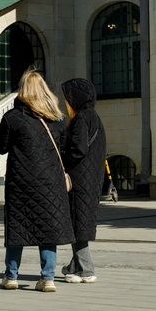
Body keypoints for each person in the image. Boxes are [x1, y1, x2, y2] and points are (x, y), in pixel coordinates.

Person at [0, 69, 74, 292]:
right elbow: (65, 150)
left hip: (21, 182)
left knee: (17, 228)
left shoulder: (13, 118)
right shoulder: (57, 119)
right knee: (48, 230)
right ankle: (48, 278)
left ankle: (11, 276)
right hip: (51, 183)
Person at [60, 78, 106, 284]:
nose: (65, 103)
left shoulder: (81, 119)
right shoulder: (94, 117)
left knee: (77, 224)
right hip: (91, 179)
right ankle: (75, 267)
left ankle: (86, 269)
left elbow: (77, 149)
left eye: (67, 98)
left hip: (79, 180)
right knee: (80, 222)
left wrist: (61, 158)